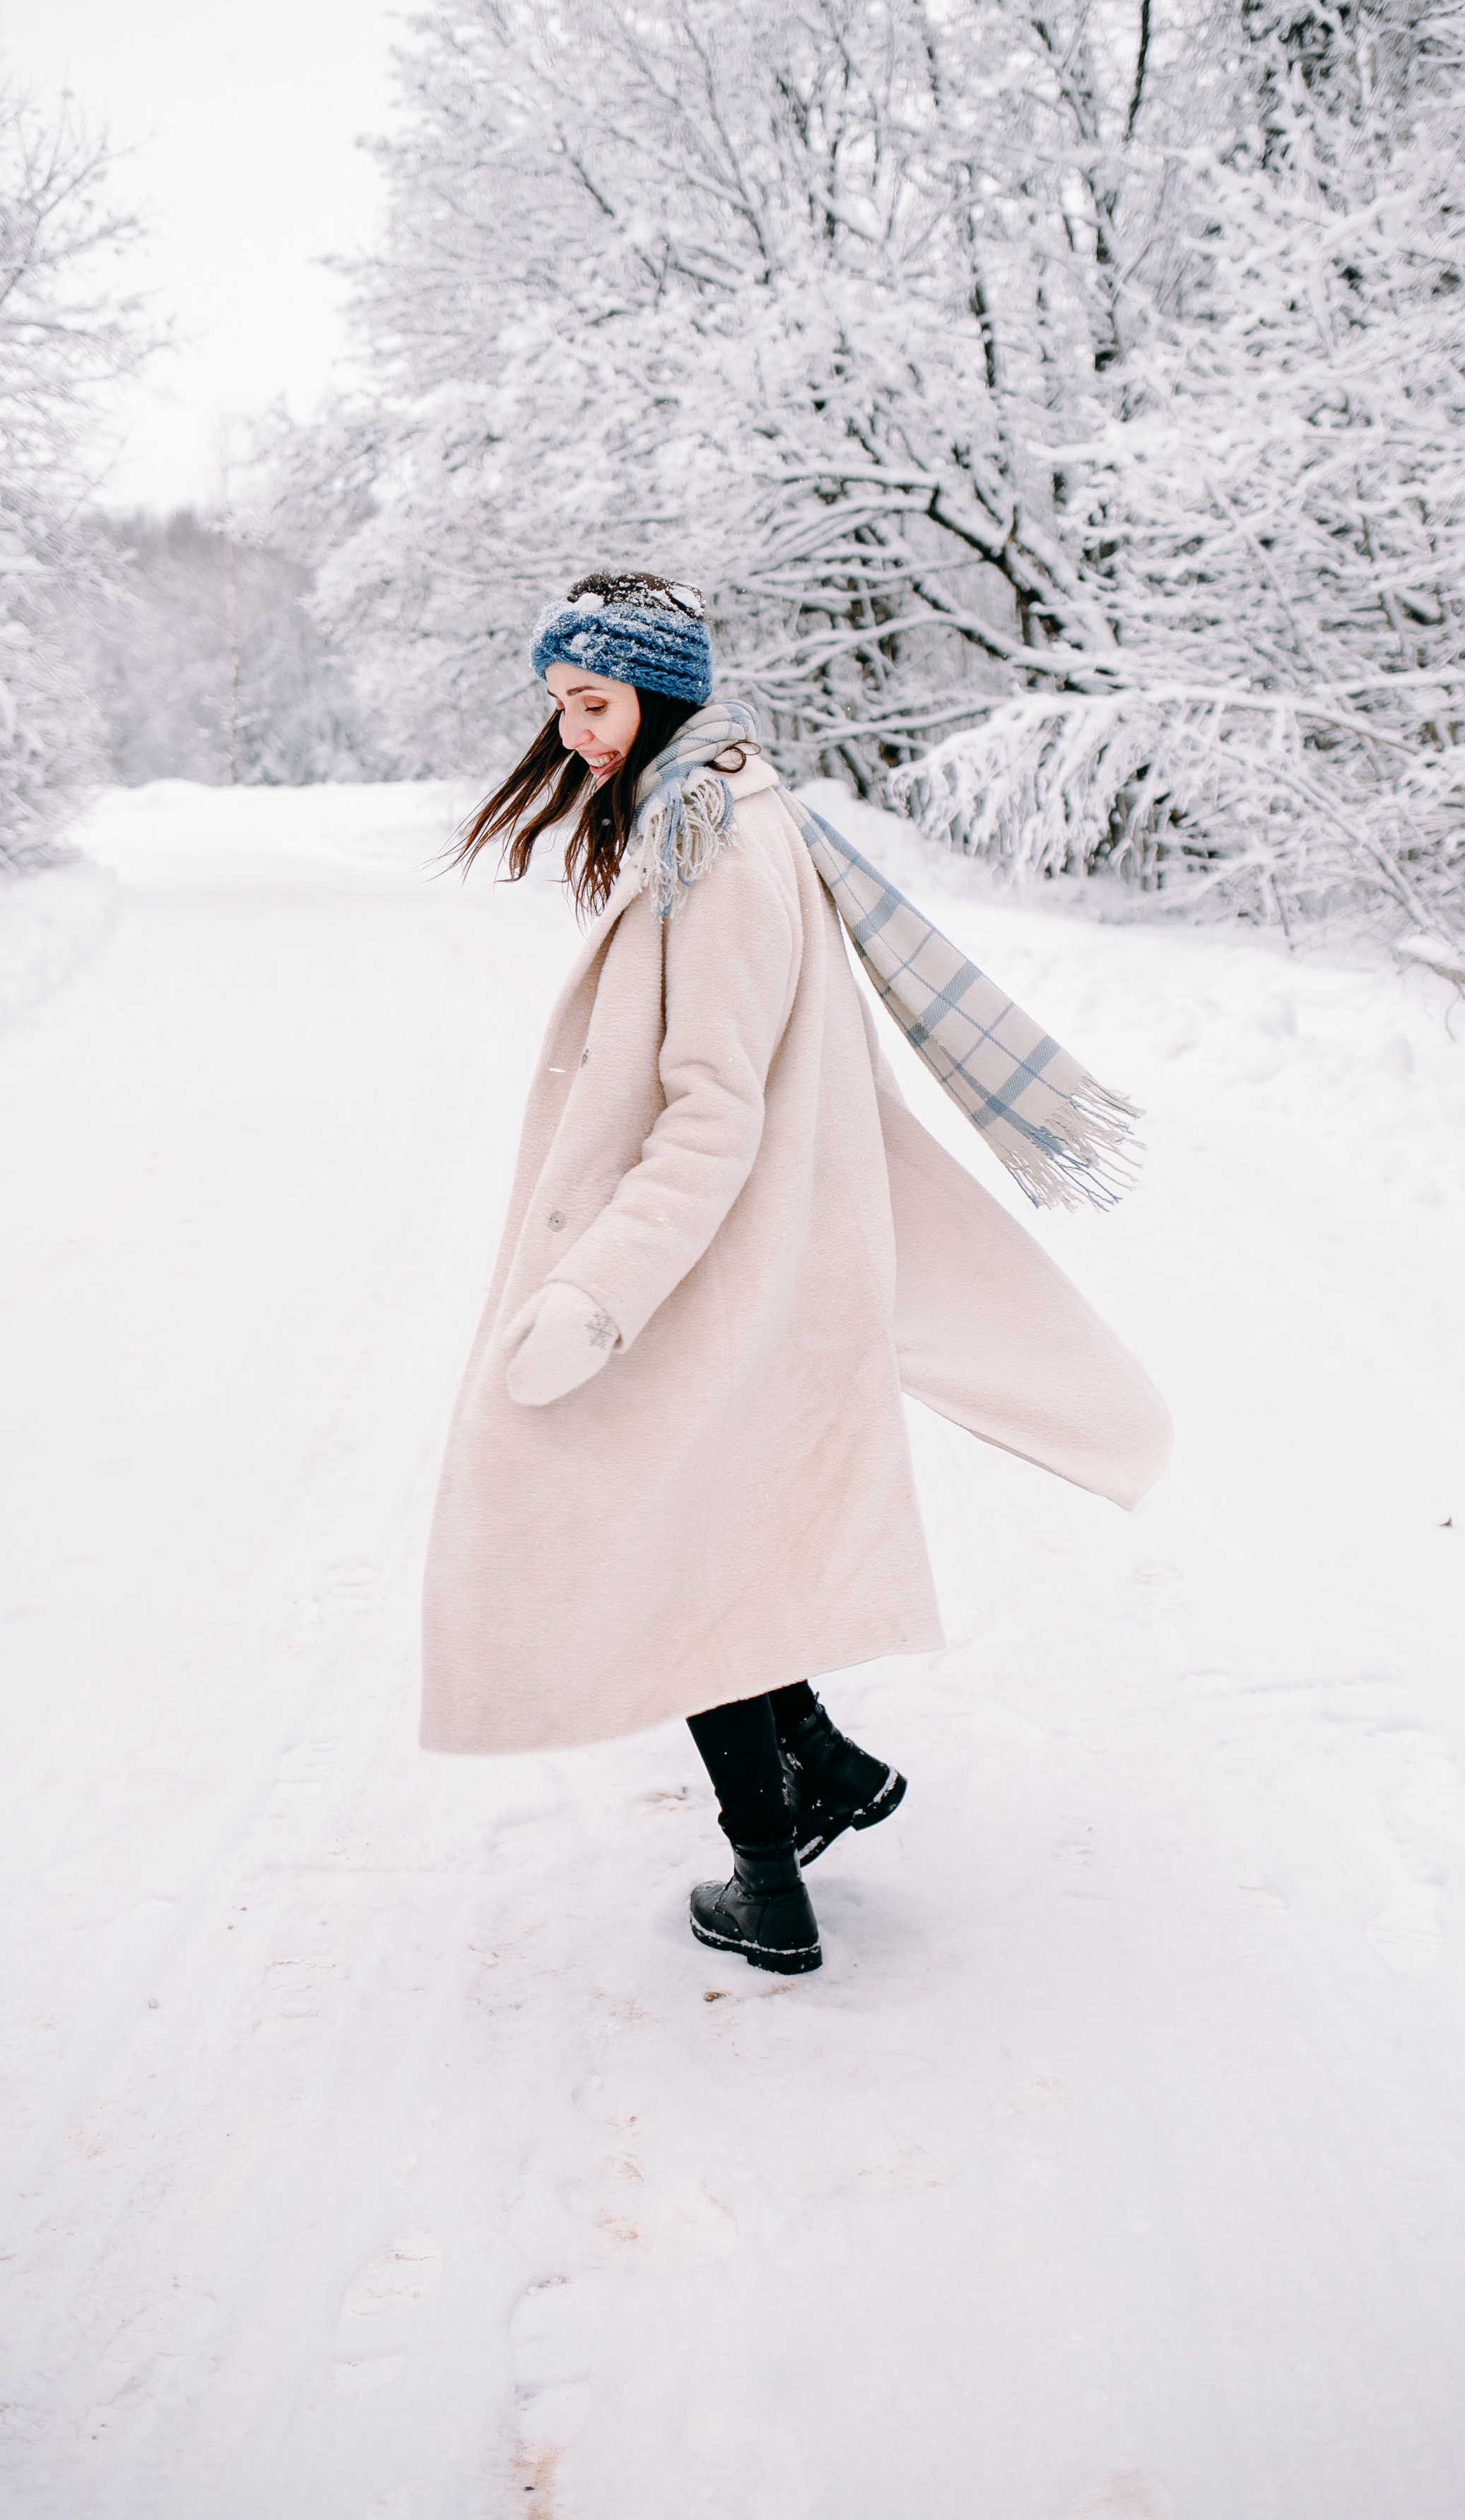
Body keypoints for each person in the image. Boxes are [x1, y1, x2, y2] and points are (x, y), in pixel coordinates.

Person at [420, 572, 1172, 1975]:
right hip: (739, 1258)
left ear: (661, 689)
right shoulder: (714, 807)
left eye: (593, 701)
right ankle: (822, 1773)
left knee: (668, 1550)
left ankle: (768, 1882)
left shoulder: (713, 835)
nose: (576, 732)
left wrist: (599, 1291)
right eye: (561, 706)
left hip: (705, 1268)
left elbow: (715, 1109)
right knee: (709, 1538)